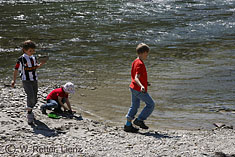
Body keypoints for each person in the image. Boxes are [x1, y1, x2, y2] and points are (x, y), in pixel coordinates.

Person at [11, 40, 46, 125]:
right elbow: (16, 70)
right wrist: (14, 80)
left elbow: (35, 67)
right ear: (24, 50)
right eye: (30, 51)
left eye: (33, 50)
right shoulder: (21, 59)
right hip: (26, 80)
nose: (32, 52)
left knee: (35, 98)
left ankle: (30, 107)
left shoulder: (33, 58)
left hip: (34, 79)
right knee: (30, 95)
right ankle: (29, 113)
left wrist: (41, 64)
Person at [124, 43, 155, 133]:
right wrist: (142, 86)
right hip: (138, 89)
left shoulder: (135, 61)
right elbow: (136, 77)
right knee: (151, 104)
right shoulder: (140, 64)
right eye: (146, 53)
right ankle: (139, 120)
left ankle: (128, 125)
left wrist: (145, 83)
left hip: (133, 87)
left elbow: (136, 76)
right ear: (142, 52)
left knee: (134, 106)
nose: (147, 55)